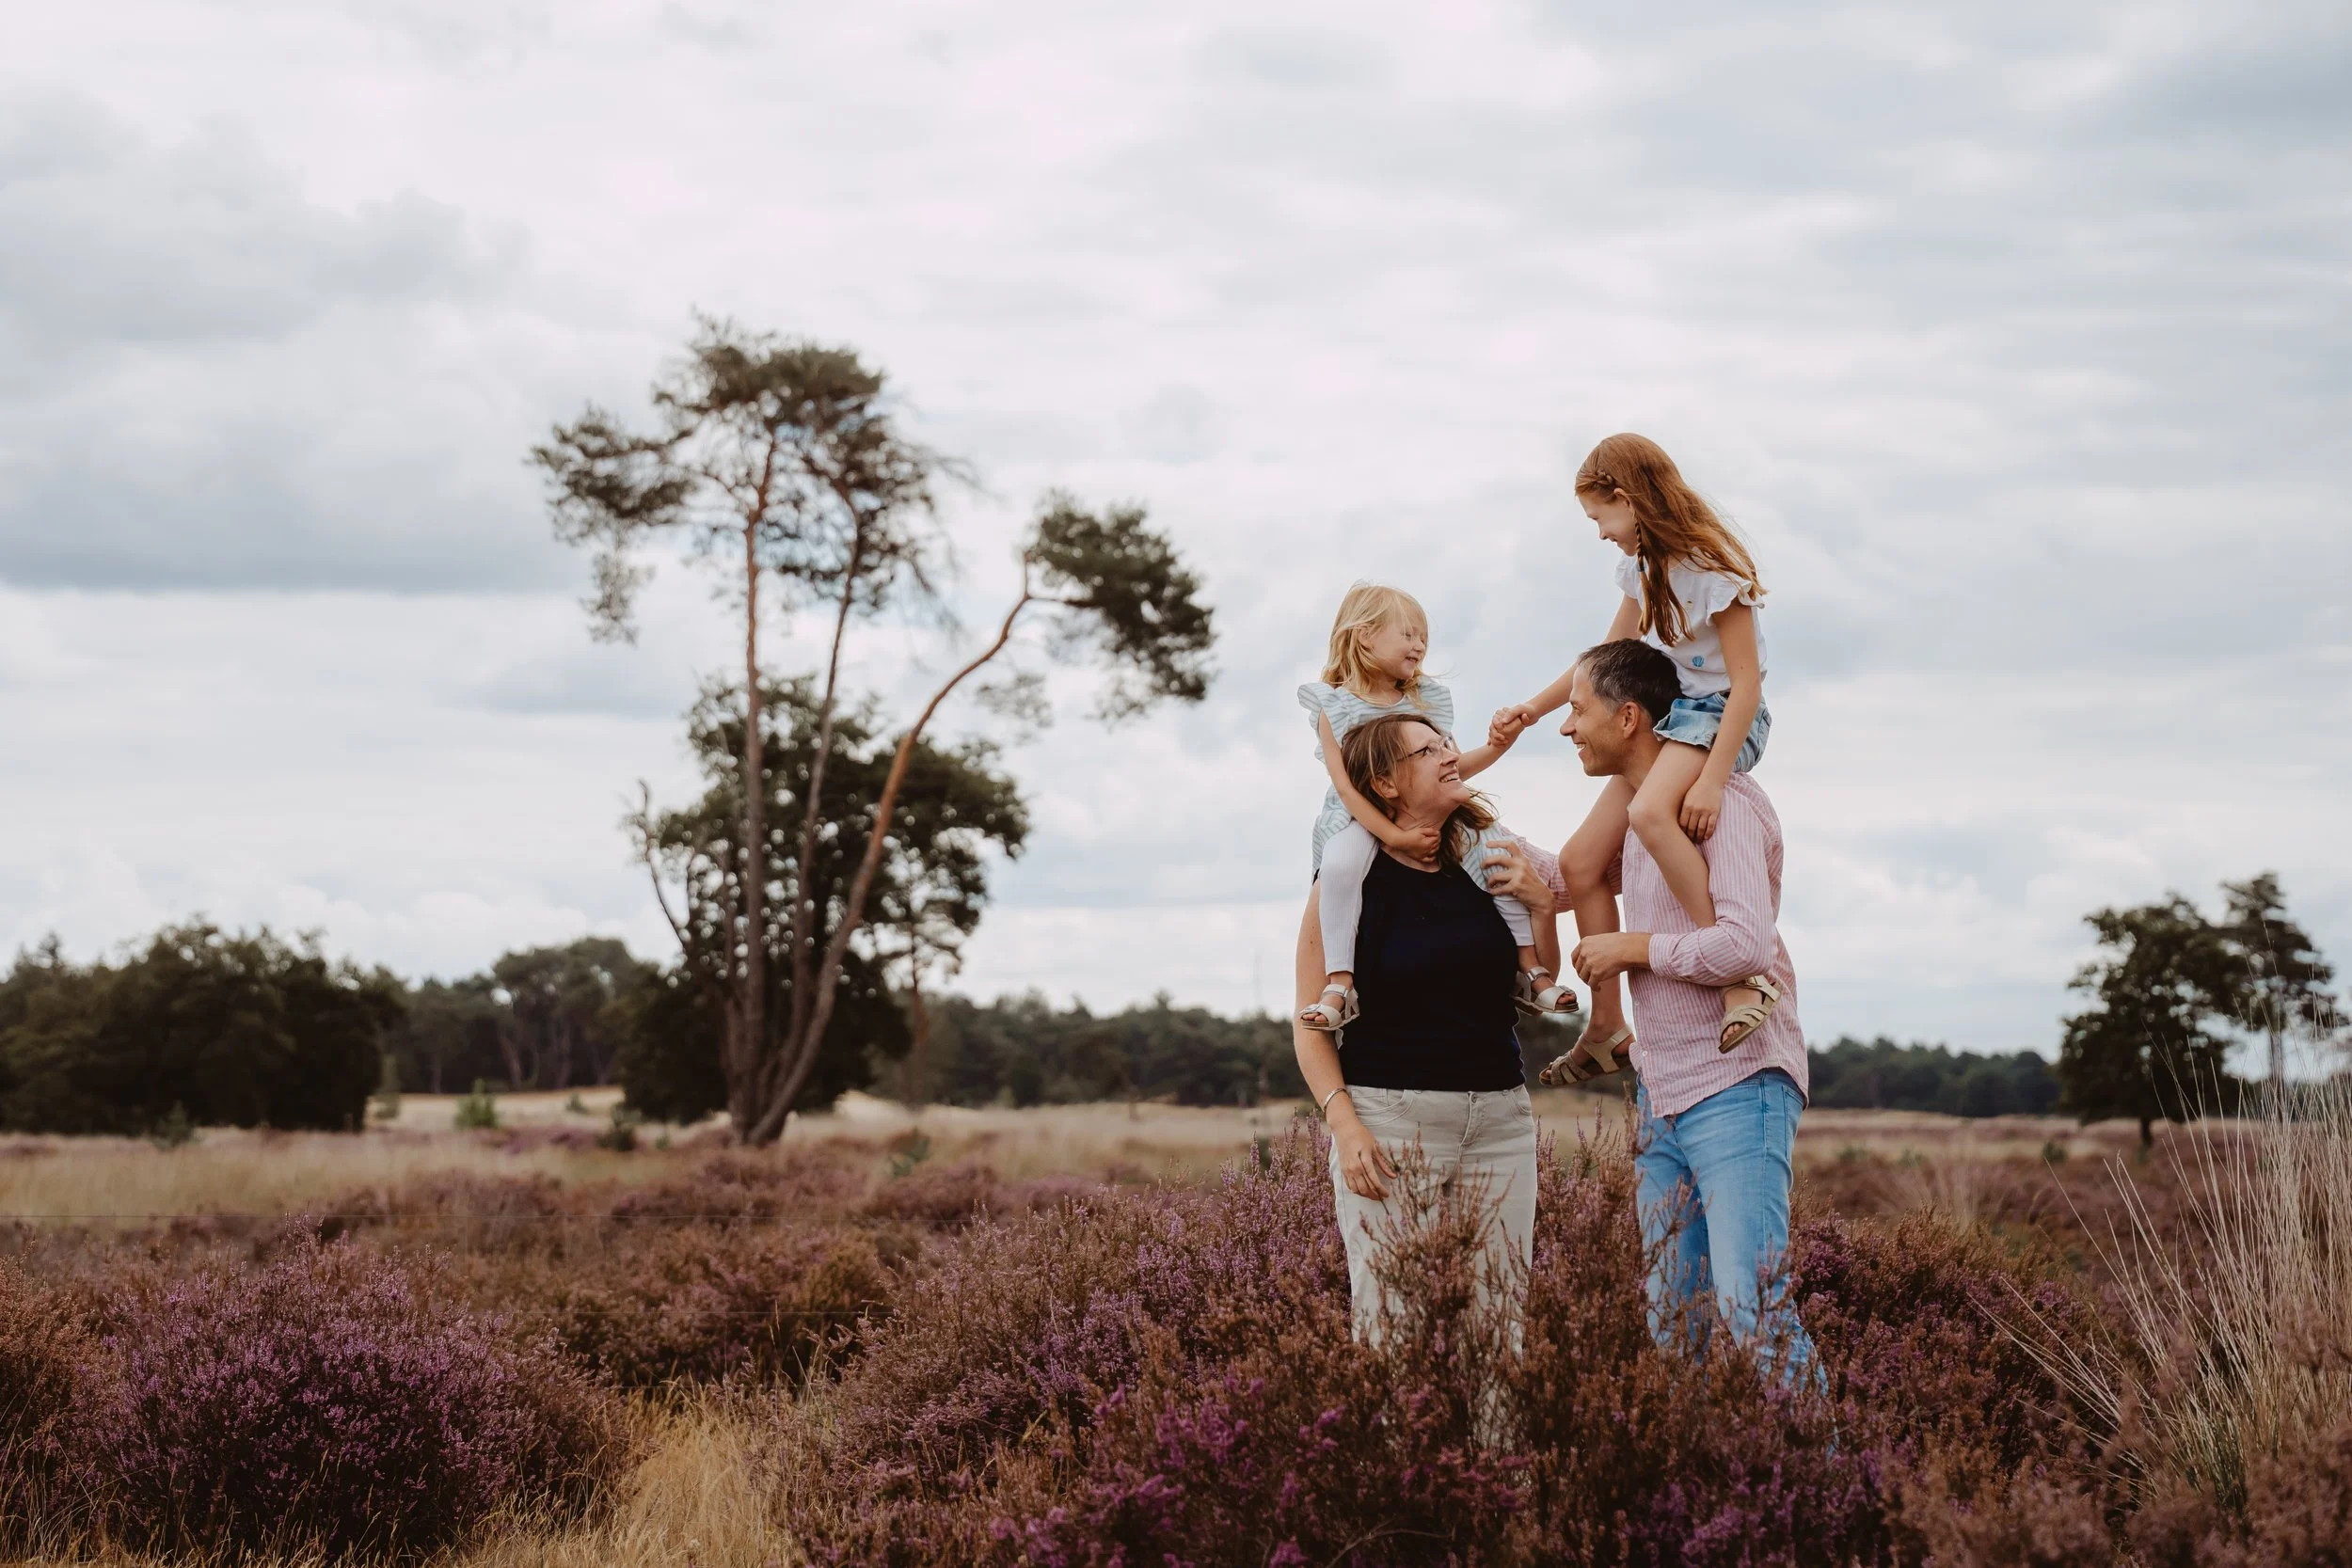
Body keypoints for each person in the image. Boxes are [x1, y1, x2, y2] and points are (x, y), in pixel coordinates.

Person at [1546, 637, 1818, 1383]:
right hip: (1661, 1094)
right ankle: (1699, 1461)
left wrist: (1635, 947)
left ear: (1629, 717)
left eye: (1578, 709)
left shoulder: (1720, 805)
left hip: (1737, 1084)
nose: (1566, 725)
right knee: (1674, 1324)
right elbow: (1566, 878)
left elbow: (1744, 945)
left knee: (1754, 1314)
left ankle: (1822, 1463)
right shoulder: (1640, 821)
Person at [1492, 434, 1780, 1070]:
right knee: (1581, 862)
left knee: (1649, 813)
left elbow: (1747, 687)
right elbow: (1601, 658)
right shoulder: (1643, 570)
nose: (1600, 533)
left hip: (1723, 718)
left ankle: (1742, 977)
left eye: (1600, 517)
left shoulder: (1713, 571)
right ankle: (1606, 1024)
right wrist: (1533, 709)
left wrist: (1711, 780)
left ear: (1627, 499)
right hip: (1677, 718)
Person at [1290, 712, 1562, 1343]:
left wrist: (1543, 906)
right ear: (1386, 784)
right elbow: (1309, 1024)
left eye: (1446, 743)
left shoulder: (1485, 863)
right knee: (1393, 1335)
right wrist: (1345, 1126)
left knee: (1499, 1335)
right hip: (1390, 1126)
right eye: (1428, 749)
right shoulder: (1345, 883)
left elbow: (1535, 989)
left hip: (1501, 1122)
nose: (1449, 754)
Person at [1296, 582, 1576, 1033]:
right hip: (1361, 815)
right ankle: (1340, 983)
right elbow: (1346, 788)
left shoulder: (1425, 698)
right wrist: (1394, 836)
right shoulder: (1336, 704)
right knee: (1340, 866)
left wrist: (1497, 747)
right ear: (1365, 635)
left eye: (1423, 637)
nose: (1419, 645)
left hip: (1428, 811)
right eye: (1407, 634)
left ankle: (1530, 968)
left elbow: (1451, 768)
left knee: (1494, 853)